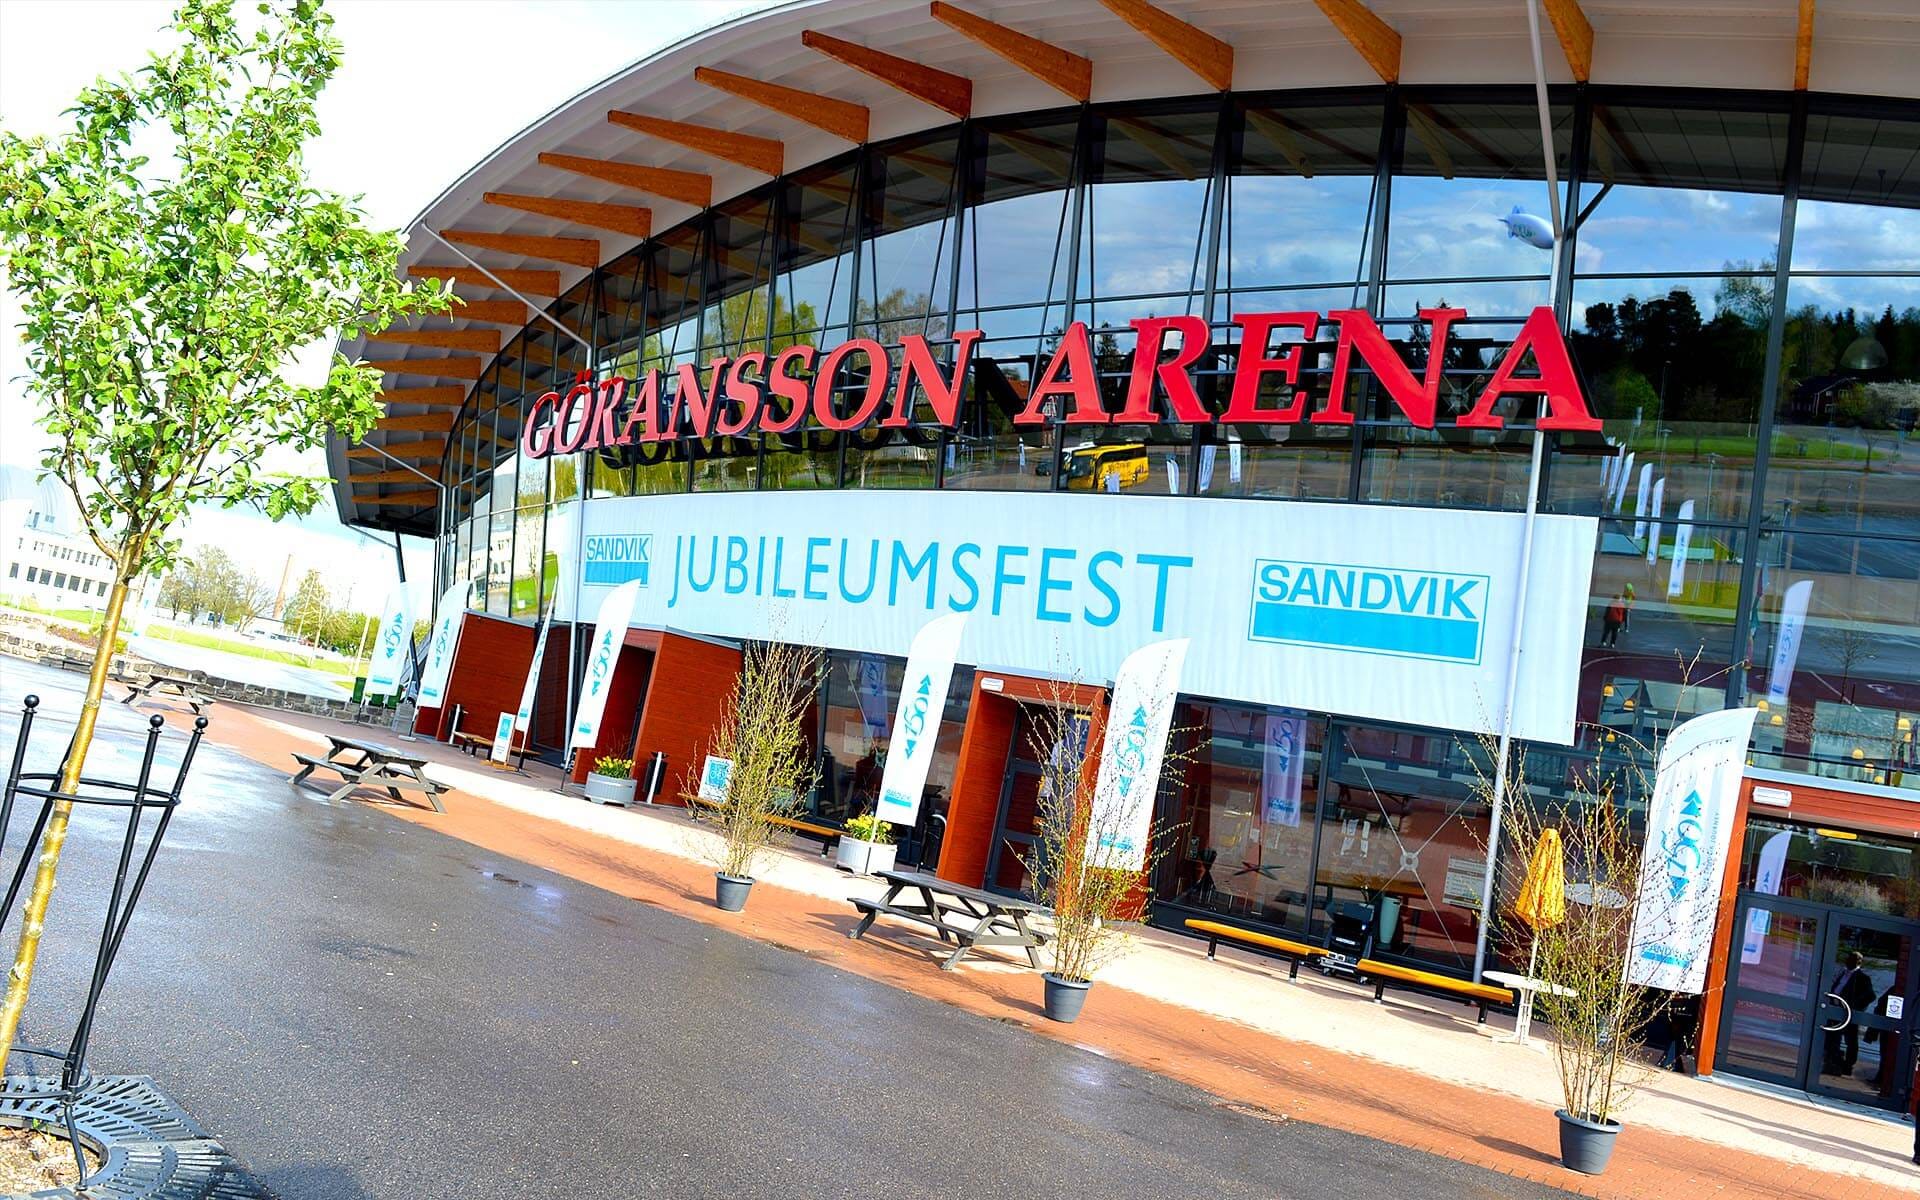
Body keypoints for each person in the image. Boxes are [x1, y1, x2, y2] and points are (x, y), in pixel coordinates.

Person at [1823, 951, 1879, 1076]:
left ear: (1857, 962)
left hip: (1849, 1013)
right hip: (1836, 1010)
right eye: (1847, 959)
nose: (1847, 962)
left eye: (1850, 960)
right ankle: (1833, 1061)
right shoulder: (1842, 973)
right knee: (1832, 1036)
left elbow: (1870, 995)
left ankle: (1848, 1065)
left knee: (1851, 1040)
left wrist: (1854, 1006)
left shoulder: (1862, 978)